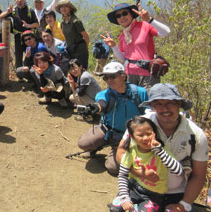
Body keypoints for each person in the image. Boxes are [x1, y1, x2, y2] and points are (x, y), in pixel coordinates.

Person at [116, 83, 208, 212]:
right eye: (158, 104)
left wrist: (184, 205)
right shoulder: (140, 125)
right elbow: (121, 151)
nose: (165, 109)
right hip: (140, 188)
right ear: (153, 106)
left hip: (177, 194)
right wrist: (139, 173)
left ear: (179, 105)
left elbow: (199, 175)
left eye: (170, 103)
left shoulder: (195, 134)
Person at [77, 62, 148, 175]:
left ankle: (116, 150)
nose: (109, 80)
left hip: (127, 137)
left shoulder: (140, 93)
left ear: (123, 76)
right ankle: (98, 145)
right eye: (106, 77)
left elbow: (147, 115)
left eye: (112, 76)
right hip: (107, 130)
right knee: (83, 143)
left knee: (114, 169)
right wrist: (96, 108)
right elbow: (102, 103)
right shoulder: (104, 94)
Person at [109, 116, 183, 212]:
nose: (146, 138)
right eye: (140, 135)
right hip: (133, 188)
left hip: (154, 195)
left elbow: (178, 170)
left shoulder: (161, 150)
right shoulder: (131, 150)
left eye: (149, 134)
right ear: (132, 137)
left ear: (154, 134)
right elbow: (123, 175)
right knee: (115, 208)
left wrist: (159, 151)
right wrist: (124, 198)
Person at [102, 3, 171, 89]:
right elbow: (123, 58)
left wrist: (150, 20)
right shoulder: (123, 36)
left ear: (131, 14)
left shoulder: (145, 26)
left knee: (148, 101)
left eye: (124, 13)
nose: (122, 17)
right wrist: (113, 46)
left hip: (148, 74)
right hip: (130, 75)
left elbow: (166, 32)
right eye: (118, 16)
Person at [56, 0, 90, 69]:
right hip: (70, 51)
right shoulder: (63, 23)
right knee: (73, 71)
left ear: (70, 8)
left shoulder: (75, 21)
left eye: (66, 6)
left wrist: (86, 48)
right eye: (61, 7)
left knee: (81, 70)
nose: (63, 9)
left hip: (80, 51)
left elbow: (86, 36)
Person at [8, 0, 39, 69]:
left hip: (29, 39)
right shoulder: (13, 11)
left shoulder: (30, 11)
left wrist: (28, 25)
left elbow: (37, 24)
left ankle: (32, 72)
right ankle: (20, 74)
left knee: (30, 54)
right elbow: (1, 16)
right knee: (18, 55)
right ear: (15, 0)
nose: (19, 0)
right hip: (18, 38)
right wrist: (7, 12)